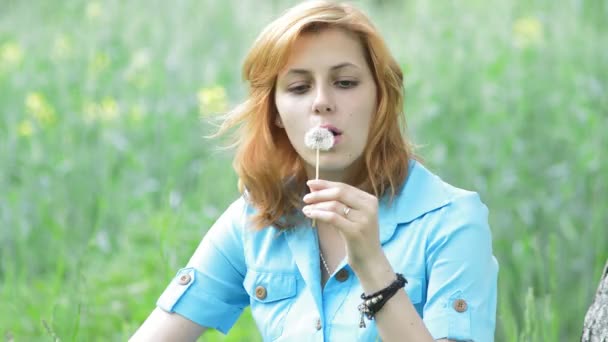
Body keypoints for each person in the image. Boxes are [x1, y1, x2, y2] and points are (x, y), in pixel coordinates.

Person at [130, 1, 498, 341]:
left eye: (345, 82)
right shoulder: (257, 217)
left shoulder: (452, 222)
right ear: (274, 111)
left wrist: (373, 267)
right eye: (299, 87)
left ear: (380, 97)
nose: (322, 102)